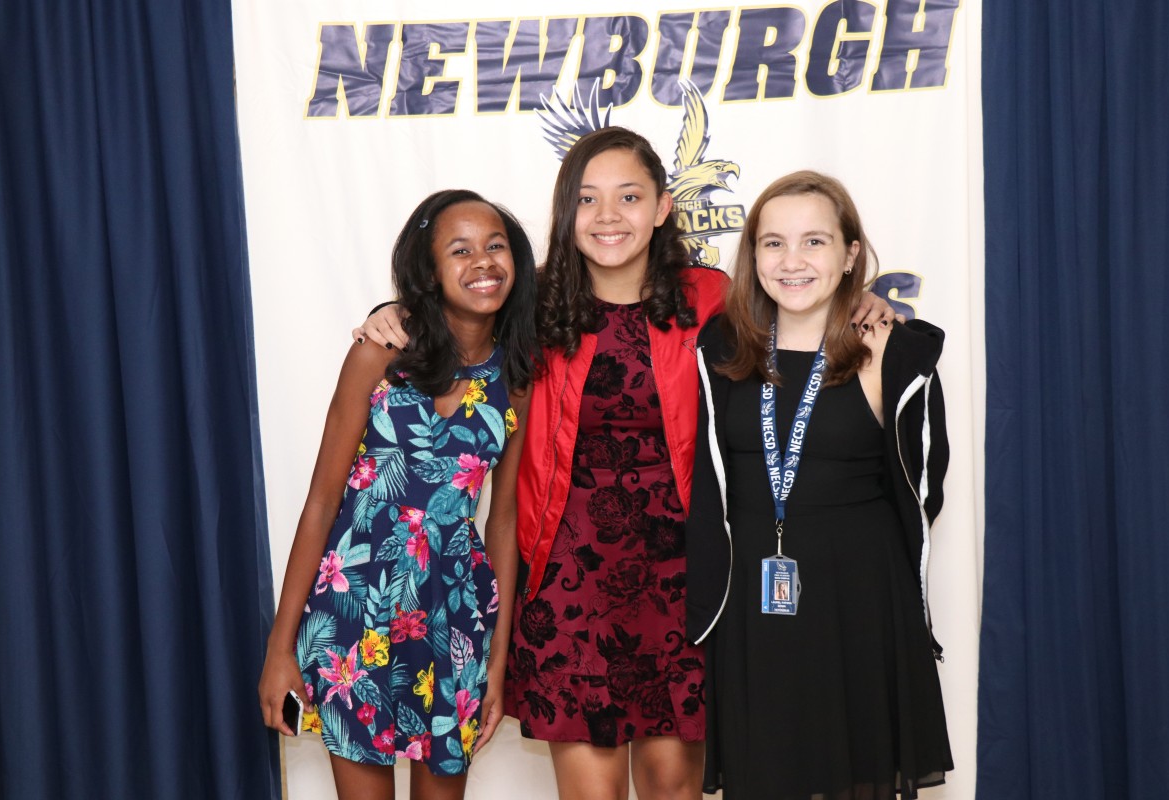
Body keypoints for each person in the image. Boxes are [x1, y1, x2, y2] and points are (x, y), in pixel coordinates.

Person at [354, 129, 897, 800]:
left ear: (664, 207)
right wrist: (392, 312)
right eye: (588, 199)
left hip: (686, 576)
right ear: (566, 211)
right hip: (570, 580)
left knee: (675, 789)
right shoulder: (533, 302)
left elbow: (801, 314)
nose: (608, 217)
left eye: (629, 197)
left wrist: (864, 298)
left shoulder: (712, 297)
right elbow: (456, 314)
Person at [258, 189, 539, 800]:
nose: (483, 262)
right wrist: (280, 649)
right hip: (352, 615)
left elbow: (505, 520)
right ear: (429, 270)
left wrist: (496, 663)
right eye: (459, 250)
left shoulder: (515, 377)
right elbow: (320, 502)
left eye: (495, 247)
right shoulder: (379, 352)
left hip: (454, 617)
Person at [686, 171, 954, 799]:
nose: (793, 261)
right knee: (767, 775)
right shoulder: (722, 346)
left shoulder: (894, 351)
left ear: (850, 253)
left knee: (857, 777)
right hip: (754, 600)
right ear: (752, 255)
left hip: (859, 597)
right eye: (773, 243)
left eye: (815, 241)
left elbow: (924, 487)